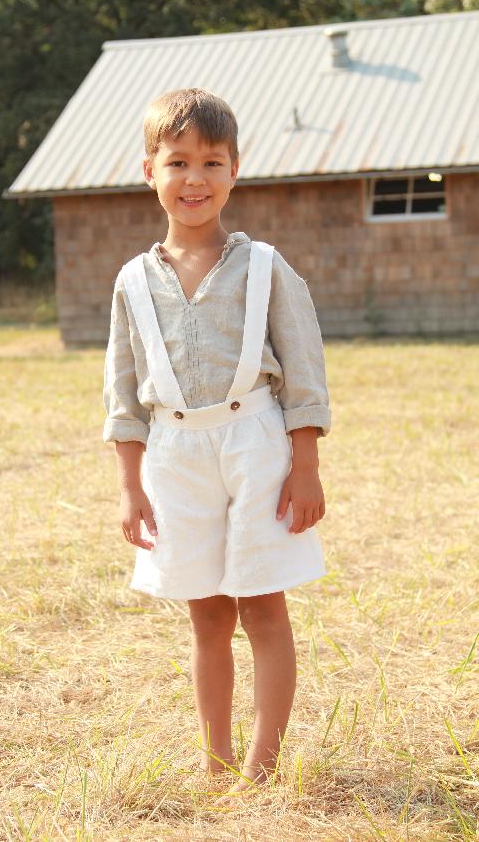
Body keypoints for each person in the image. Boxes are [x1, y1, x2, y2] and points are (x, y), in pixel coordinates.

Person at [103, 88, 331, 804]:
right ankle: (217, 761)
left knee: (263, 606)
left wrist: (306, 466)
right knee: (207, 613)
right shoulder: (133, 282)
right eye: (177, 162)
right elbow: (123, 393)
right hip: (175, 455)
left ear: (235, 170)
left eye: (211, 162)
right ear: (149, 171)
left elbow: (303, 371)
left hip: (257, 445)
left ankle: (263, 765)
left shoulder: (264, 266)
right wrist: (129, 485)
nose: (194, 177)